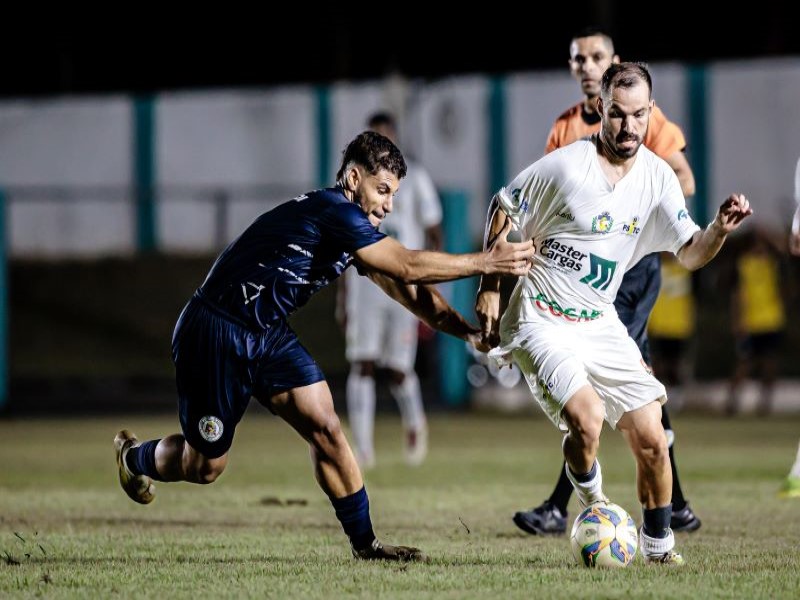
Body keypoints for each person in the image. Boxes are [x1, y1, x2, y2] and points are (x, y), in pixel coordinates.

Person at [113, 130, 535, 562]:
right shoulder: (335, 210)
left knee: (326, 426)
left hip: (267, 332)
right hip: (215, 331)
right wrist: (487, 261)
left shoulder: (353, 232)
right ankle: (134, 458)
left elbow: (408, 289)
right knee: (204, 467)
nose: (389, 205)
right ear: (353, 179)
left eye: (394, 194)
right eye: (382, 190)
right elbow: (409, 264)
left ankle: (366, 546)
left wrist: (466, 331)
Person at [476, 62, 752, 564]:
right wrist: (490, 288)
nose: (629, 127)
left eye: (639, 115)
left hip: (599, 321)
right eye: (619, 115)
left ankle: (660, 550)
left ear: (651, 113)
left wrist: (718, 229)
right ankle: (594, 503)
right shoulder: (565, 165)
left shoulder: (657, 177)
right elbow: (503, 204)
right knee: (587, 418)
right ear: (602, 109)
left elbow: (689, 253)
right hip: (541, 317)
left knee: (652, 435)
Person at [512, 28, 701, 537]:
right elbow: (536, 199)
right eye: (579, 59)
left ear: (613, 62)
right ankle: (670, 505)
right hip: (570, 278)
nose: (587, 66)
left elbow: (681, 178)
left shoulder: (643, 116)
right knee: (602, 401)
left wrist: (631, 219)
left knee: (626, 392)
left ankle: (580, 506)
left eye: (597, 56)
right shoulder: (565, 128)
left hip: (627, 271)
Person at [339, 112, 443, 468]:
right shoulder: (354, 183)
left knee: (399, 368)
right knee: (361, 362)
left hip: (401, 283)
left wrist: (429, 280)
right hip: (364, 284)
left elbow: (433, 230)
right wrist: (343, 298)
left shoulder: (414, 177)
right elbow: (342, 241)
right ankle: (363, 448)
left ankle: (415, 422)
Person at [725, 228, 786, 416]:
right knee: (744, 365)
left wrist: (767, 234)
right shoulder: (743, 264)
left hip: (772, 320)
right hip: (750, 322)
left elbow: (785, 250)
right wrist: (737, 321)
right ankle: (732, 402)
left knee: (769, 365)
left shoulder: (773, 263)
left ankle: (765, 405)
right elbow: (736, 296)